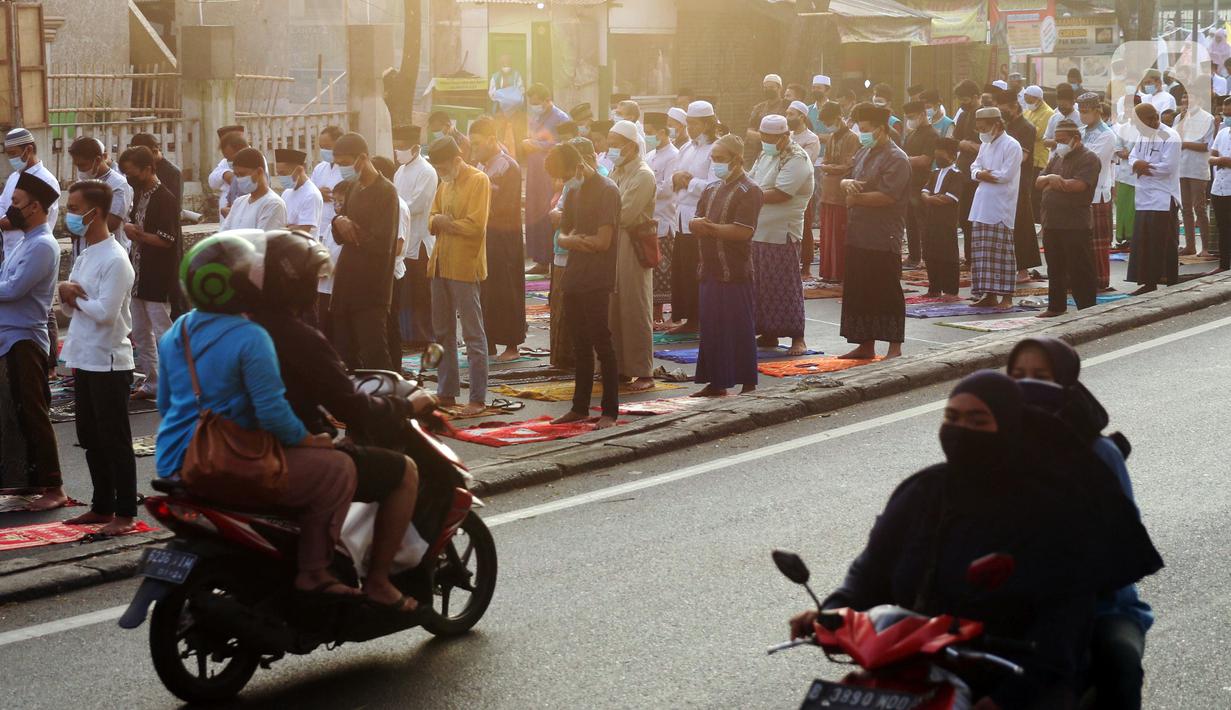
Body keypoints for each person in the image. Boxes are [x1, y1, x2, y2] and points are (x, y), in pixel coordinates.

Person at [790, 370, 1162, 710]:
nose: (961, 430)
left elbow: (1062, 628)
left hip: (1014, 676)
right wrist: (832, 613)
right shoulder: (922, 492)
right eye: (952, 418)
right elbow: (871, 572)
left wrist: (1004, 699)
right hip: (908, 667)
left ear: (1009, 427)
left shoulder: (1051, 510)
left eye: (977, 420)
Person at [158, 234, 361, 599]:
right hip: (225, 461)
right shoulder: (251, 337)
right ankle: (314, 571)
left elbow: (165, 403)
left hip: (173, 459)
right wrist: (308, 439)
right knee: (338, 468)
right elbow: (272, 412)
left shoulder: (177, 332)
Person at [249, 230, 430, 613]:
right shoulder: (299, 338)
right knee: (404, 472)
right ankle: (379, 581)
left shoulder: (234, 330)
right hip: (282, 455)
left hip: (229, 450)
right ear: (297, 285)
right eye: (313, 280)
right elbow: (350, 407)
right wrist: (406, 407)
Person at [1006, 337, 1154, 710]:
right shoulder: (988, 443)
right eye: (1018, 375)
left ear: (1066, 383)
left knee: (1119, 666)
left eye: (1041, 376)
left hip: (1099, 605)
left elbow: (1122, 540)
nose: (1028, 384)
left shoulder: (1099, 452)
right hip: (1006, 600)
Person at [57, 180, 137, 534]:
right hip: (84, 356)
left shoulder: (116, 258)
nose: (69, 215)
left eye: (74, 209)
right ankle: (101, 505)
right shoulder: (85, 253)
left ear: (97, 213)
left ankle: (125, 512)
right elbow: (68, 307)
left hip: (109, 359)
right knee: (90, 436)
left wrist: (74, 297)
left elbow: (105, 312)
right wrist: (67, 294)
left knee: (115, 439)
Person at [0, 174, 64, 509]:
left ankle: (54, 488)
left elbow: (12, 289)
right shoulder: (26, 241)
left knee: (33, 413)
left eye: (17, 202)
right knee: (14, 413)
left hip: (25, 339)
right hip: (10, 338)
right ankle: (26, 482)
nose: (11, 208)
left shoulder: (42, 244)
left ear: (35, 207)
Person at [547, 142, 621, 429]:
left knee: (601, 342)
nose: (564, 182)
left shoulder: (607, 190)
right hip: (574, 274)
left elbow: (603, 242)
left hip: (597, 277)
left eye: (566, 175)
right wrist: (576, 241)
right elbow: (562, 235)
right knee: (579, 345)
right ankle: (579, 407)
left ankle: (610, 411)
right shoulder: (574, 190)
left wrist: (575, 240)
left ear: (580, 165)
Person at [690, 134, 763, 397]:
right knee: (711, 326)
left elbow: (744, 231)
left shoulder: (750, 190)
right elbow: (696, 219)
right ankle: (716, 382)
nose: (716, 164)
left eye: (720, 159)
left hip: (734, 269)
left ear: (737, 159)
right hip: (709, 267)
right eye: (714, 159)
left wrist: (710, 229)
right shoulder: (711, 188)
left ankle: (748, 382)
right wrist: (697, 225)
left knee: (738, 325)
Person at [837, 104, 909, 360]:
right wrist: (846, 183)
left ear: (880, 129)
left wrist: (857, 200)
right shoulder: (864, 152)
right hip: (858, 233)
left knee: (886, 289)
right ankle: (865, 343)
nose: (862, 133)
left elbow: (889, 196)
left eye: (865, 129)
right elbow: (846, 177)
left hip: (882, 235)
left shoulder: (896, 158)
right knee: (860, 289)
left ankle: (894, 346)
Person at [427, 136, 491, 416]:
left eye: (443, 166)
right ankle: (446, 392)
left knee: (472, 333)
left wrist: (446, 223)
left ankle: (477, 398)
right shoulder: (445, 182)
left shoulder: (479, 180)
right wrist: (438, 222)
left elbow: (476, 225)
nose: (441, 171)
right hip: (439, 263)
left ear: (456, 159)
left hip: (465, 266)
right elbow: (431, 218)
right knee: (442, 332)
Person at [331, 132, 401, 369]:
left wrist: (350, 226)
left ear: (362, 158)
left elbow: (382, 243)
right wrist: (338, 221)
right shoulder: (352, 187)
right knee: (346, 353)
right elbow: (341, 232)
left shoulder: (386, 191)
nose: (341, 169)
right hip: (345, 282)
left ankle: (388, 402)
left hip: (372, 286)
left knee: (375, 354)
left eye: (344, 163)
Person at [117, 146, 181, 401]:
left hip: (158, 275)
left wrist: (138, 234)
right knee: (141, 333)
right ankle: (153, 382)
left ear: (149, 169)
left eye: (133, 174)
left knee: (163, 332)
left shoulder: (165, 198)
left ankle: (175, 383)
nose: (130, 178)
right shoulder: (140, 193)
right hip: (139, 273)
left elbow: (167, 240)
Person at [749, 114, 812, 356]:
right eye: (763, 137)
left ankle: (798, 337)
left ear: (784, 137)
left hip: (782, 232)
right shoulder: (766, 154)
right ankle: (769, 332)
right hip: (759, 230)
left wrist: (748, 196)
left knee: (785, 285)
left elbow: (782, 193)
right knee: (762, 285)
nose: (766, 142)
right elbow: (752, 179)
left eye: (771, 138)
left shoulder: (797, 158)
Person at [605, 120, 657, 391]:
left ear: (631, 146)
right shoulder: (617, 171)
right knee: (614, 308)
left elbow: (624, 214)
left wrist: (599, 219)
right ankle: (621, 368)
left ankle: (643, 371)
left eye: (615, 144)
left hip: (632, 246)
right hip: (613, 246)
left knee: (635, 307)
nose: (611, 149)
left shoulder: (643, 175)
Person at [470, 117, 526, 363]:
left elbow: (504, 206)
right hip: (484, 238)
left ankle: (512, 344)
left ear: (492, 140)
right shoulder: (481, 167)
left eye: (477, 144)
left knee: (507, 291)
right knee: (486, 292)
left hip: (505, 239)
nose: (474, 149)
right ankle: (488, 342)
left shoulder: (508, 167)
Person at [1036, 120, 1101, 317]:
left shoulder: (1089, 158)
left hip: (1075, 223)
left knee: (1079, 268)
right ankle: (1056, 307)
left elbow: (1079, 185)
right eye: (1057, 141)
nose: (1059, 144)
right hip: (1052, 220)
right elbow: (1039, 181)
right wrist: (1050, 179)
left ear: (1076, 139)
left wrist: (1055, 182)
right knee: (1055, 267)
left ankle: (1086, 308)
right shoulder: (1057, 157)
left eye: (1063, 140)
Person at [669, 100, 719, 334]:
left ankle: (702, 318)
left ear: (708, 124)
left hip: (702, 217)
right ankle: (689, 318)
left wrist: (689, 182)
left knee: (699, 270)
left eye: (694, 123)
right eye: (688, 122)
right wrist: (678, 180)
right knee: (684, 271)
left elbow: (715, 185)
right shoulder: (686, 148)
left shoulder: (716, 149)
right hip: (681, 215)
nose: (690, 127)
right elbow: (675, 178)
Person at [968, 107, 1024, 310]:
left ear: (997, 125)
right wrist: (981, 174)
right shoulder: (985, 144)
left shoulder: (1012, 145)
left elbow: (1005, 175)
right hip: (982, 205)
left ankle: (1007, 297)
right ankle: (988, 295)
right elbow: (973, 168)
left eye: (984, 127)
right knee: (982, 254)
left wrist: (983, 174)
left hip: (1001, 206)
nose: (981, 132)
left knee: (1002, 253)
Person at [392, 125, 439, 349]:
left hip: (420, 239)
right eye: (396, 147)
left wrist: (394, 210)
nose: (397, 151)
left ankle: (424, 336)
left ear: (415, 147)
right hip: (402, 237)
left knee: (421, 291)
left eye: (402, 147)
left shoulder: (427, 171)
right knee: (405, 291)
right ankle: (407, 334)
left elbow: (418, 204)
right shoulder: (399, 171)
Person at [1126, 103, 1181, 295]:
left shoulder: (1170, 136)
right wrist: (1138, 164)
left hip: (1163, 196)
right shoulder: (1143, 135)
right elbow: (1132, 157)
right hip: (1144, 195)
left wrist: (1143, 167)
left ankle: (1170, 281)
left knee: (1163, 242)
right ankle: (1149, 283)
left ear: (1153, 119)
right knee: (1145, 242)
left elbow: (1168, 167)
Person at [369, 156, 413, 372]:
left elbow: (397, 244)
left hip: (391, 274)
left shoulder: (398, 204)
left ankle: (395, 371)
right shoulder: (377, 201)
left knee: (390, 325)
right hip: (376, 272)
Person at [523, 84, 571, 275]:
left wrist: (536, 144)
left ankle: (550, 258)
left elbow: (564, 144)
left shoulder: (561, 118)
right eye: (532, 103)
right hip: (534, 169)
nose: (534, 106)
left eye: (537, 103)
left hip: (551, 173)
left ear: (546, 99)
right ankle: (540, 259)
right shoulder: (536, 116)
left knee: (547, 209)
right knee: (534, 210)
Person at [996, 90, 1040, 283]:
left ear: (1013, 106)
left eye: (1003, 108)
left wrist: (1000, 162)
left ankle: (1023, 269)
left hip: (1019, 181)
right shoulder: (1006, 127)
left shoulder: (1026, 127)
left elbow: (1022, 157)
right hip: (1002, 181)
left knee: (1022, 224)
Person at [1075, 93, 1117, 291]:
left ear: (1096, 110)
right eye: (1080, 111)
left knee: (1097, 243)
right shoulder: (1082, 132)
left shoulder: (1107, 135)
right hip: (1079, 192)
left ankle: (1099, 280)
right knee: (1081, 242)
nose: (1082, 116)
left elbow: (1092, 162)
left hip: (1097, 192)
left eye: (1085, 111)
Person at [817, 102, 861, 284]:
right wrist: (830, 167)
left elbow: (847, 166)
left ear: (837, 118)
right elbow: (826, 162)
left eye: (829, 121)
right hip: (828, 193)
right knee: (827, 234)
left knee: (838, 234)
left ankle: (840, 273)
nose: (828, 125)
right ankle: (828, 273)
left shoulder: (852, 138)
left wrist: (829, 168)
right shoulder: (832, 137)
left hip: (841, 194)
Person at [68, 136, 132, 254]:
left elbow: (110, 224)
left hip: (108, 254)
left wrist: (76, 223)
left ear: (97, 160)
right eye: (77, 166)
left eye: (82, 165)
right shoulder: (82, 182)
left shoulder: (118, 185)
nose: (80, 170)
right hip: (82, 253)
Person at [645, 112, 679, 325]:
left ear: (662, 132)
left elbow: (667, 188)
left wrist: (644, 190)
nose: (647, 137)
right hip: (649, 218)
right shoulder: (649, 156)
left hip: (664, 219)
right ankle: (651, 313)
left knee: (662, 271)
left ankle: (659, 315)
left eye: (650, 133)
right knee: (650, 269)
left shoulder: (673, 155)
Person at [920, 138, 964, 301]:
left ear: (952, 156)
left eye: (941, 155)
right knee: (930, 253)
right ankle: (934, 288)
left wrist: (931, 198)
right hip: (930, 220)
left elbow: (949, 198)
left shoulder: (956, 175)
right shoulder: (934, 173)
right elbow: (924, 191)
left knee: (948, 255)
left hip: (946, 222)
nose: (937, 158)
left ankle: (951, 291)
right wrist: (930, 198)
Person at [1174, 89, 1215, 257]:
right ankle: (1189, 245)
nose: (1186, 100)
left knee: (1199, 207)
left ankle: (1205, 247)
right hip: (1181, 167)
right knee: (1185, 208)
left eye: (1190, 96)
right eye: (1184, 97)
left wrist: (1186, 144)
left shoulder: (1207, 118)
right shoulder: (1179, 118)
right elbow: (1175, 140)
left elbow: (1207, 146)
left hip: (1197, 167)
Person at [902, 100, 940, 270]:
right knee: (910, 222)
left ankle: (927, 256)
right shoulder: (911, 134)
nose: (909, 120)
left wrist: (905, 160)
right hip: (908, 182)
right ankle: (913, 256)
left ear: (923, 114)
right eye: (907, 118)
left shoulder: (932, 134)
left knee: (923, 222)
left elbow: (925, 160)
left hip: (923, 183)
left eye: (912, 117)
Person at [220, 147, 288, 231]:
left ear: (259, 172)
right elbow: (224, 234)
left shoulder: (273, 204)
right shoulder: (239, 202)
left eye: (242, 174)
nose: (239, 179)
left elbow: (262, 240)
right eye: (236, 175)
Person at [953, 80, 982, 263]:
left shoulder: (985, 115)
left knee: (975, 218)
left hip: (979, 174)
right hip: (963, 171)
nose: (963, 103)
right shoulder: (963, 116)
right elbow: (955, 140)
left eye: (965, 99)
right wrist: (962, 144)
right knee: (964, 217)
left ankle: (975, 257)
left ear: (975, 97)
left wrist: (977, 147)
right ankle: (969, 256)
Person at [274, 148, 324, 237]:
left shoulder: (311, 195)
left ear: (300, 169)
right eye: (278, 174)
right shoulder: (287, 192)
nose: (281, 177)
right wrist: (291, 227)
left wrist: (284, 228)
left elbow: (304, 230)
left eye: (283, 173)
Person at [129, 133, 182, 212]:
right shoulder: (138, 169)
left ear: (155, 151)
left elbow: (174, 207)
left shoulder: (173, 173)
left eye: (142, 156)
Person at [745, 74, 790, 166]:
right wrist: (768, 138)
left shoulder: (788, 106)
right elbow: (749, 131)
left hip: (783, 152)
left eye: (771, 87)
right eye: (765, 87)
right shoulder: (758, 108)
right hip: (759, 152)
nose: (768, 90)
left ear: (779, 88)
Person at [1209, 97, 1231, 274]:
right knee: (1223, 227)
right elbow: (1211, 156)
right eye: (1225, 112)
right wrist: (1221, 160)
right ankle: (1224, 265)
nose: (1227, 116)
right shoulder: (1223, 133)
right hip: (1220, 187)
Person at [311, 125, 345, 234]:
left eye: (327, 147)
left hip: (339, 228)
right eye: (321, 147)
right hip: (319, 227)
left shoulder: (347, 169)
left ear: (339, 144)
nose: (324, 150)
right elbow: (310, 193)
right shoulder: (319, 168)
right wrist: (318, 193)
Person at [208, 125, 246, 215]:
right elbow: (212, 181)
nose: (230, 162)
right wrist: (224, 174)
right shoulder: (225, 162)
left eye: (231, 158)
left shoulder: (256, 160)